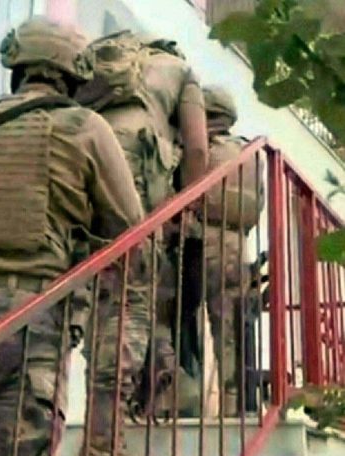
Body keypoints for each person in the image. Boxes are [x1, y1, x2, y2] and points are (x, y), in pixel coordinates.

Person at [0, 17, 147, 456]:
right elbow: (131, 226)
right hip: (25, 313)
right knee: (20, 454)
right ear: (74, 74)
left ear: (19, 67)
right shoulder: (84, 126)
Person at [76, 30, 209, 423]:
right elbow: (198, 149)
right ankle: (107, 428)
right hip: (137, 180)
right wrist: (185, 207)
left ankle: (100, 407)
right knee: (132, 301)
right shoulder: (180, 70)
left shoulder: (101, 64)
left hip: (84, 167)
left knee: (96, 294)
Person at [198, 85, 263, 416]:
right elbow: (258, 203)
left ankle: (178, 398)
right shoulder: (249, 153)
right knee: (232, 330)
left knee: (174, 317)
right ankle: (236, 406)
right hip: (239, 245)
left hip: (202, 239)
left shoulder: (201, 148)